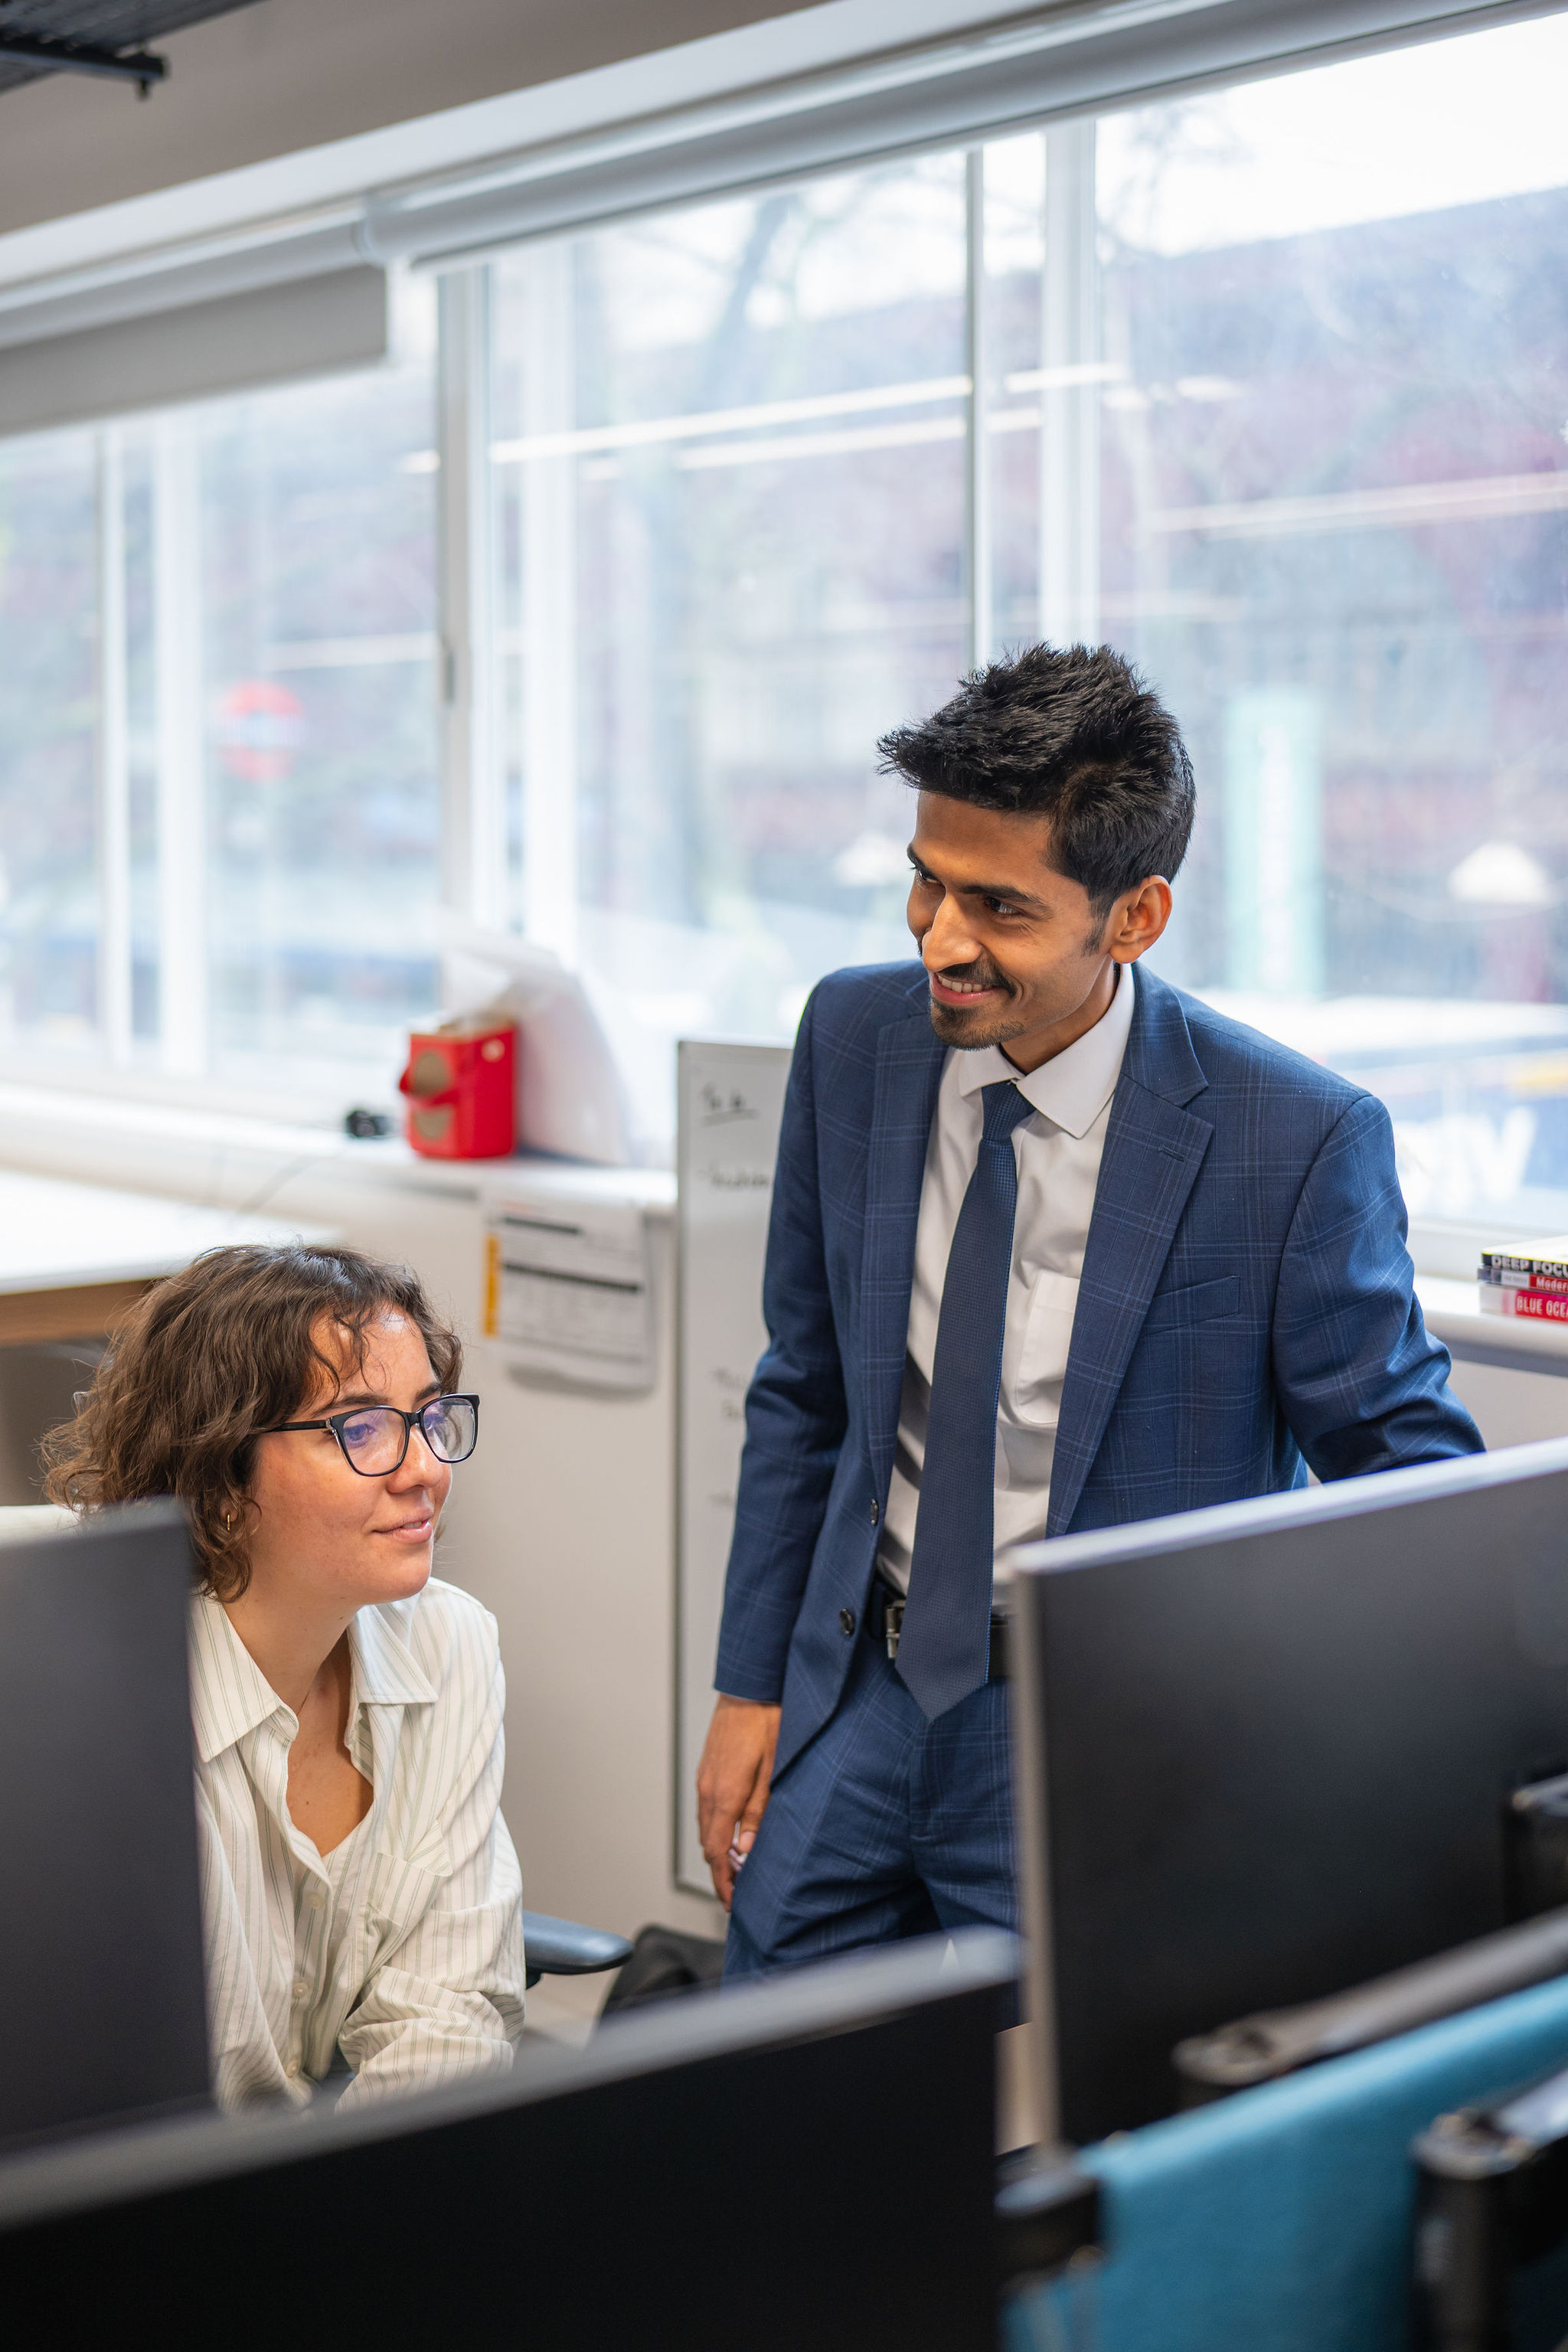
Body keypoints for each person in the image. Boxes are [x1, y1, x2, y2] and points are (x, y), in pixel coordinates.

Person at [696, 642, 1483, 1978]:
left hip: (1099, 1731)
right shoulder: (850, 1037)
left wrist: (1312, 1769)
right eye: (923, 882)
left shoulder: (1286, 1137)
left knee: (1064, 2141)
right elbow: (807, 1384)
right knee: (770, 2103)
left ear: (1133, 916)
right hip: (861, 1686)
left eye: (995, 907)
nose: (938, 940)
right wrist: (747, 1681)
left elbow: (1405, 1481)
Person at [44, 1242, 525, 2112]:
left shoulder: (449, 1644)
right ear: (222, 1480)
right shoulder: (102, 1709)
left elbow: (446, 2016)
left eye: (427, 1415)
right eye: (361, 1428)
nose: (425, 1468)